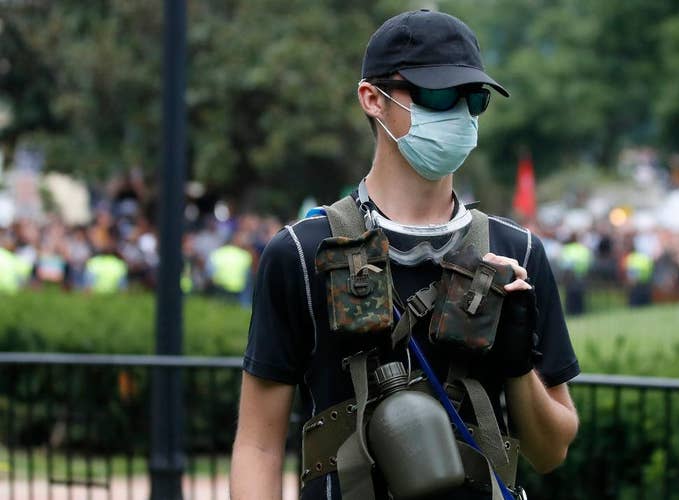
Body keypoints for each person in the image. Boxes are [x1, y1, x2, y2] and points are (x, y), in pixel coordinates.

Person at [231, 10, 579, 500]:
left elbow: (551, 451)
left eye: (472, 99)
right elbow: (258, 447)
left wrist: (518, 367)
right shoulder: (301, 252)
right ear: (373, 98)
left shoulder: (514, 254)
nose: (458, 113)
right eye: (437, 94)